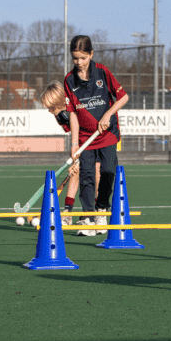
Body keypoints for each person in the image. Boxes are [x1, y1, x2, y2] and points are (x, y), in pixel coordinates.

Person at [64, 34, 129, 235]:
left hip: (107, 133)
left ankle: (102, 209)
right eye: (75, 58)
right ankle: (87, 219)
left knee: (109, 171)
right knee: (86, 177)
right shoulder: (68, 80)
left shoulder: (102, 72)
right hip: (85, 138)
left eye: (83, 58)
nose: (79, 62)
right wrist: (74, 143)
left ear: (91, 55)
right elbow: (73, 113)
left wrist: (108, 114)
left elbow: (123, 97)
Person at [40, 81, 85, 227]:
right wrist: (76, 157)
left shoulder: (77, 105)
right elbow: (74, 132)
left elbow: (86, 128)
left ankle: (94, 214)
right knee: (75, 173)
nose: (48, 110)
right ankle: (67, 214)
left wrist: (79, 156)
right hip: (80, 140)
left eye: (50, 107)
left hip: (95, 137)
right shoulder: (60, 115)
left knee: (95, 173)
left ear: (58, 101)